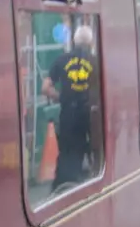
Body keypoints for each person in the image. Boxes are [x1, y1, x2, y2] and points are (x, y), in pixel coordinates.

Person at [42, 24, 98, 190]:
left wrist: (62, 98)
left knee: (66, 152)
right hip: (89, 115)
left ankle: (61, 188)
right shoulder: (95, 62)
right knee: (92, 150)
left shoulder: (62, 60)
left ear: (74, 41)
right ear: (91, 43)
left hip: (68, 114)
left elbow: (45, 88)